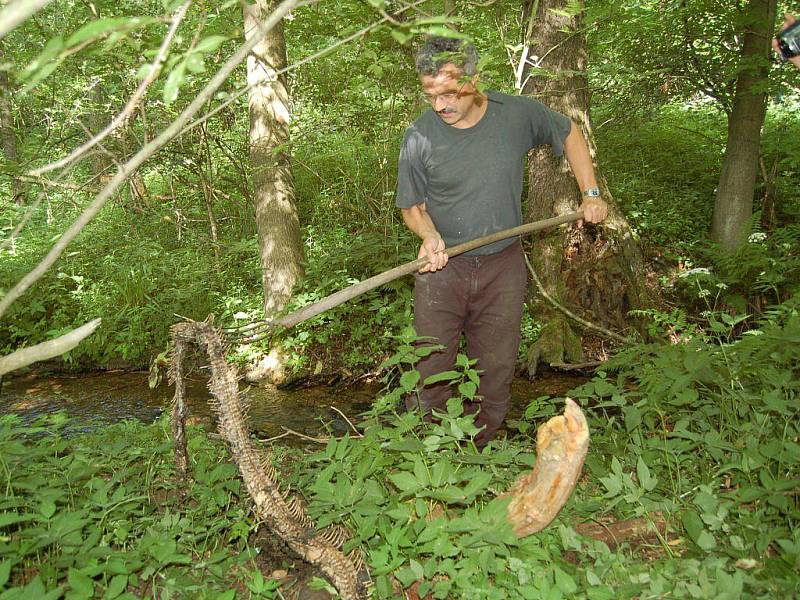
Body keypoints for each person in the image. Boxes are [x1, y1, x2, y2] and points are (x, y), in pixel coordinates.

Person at [395, 36, 608, 448]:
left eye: (449, 93)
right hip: (444, 270)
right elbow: (411, 206)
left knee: (493, 367)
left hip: (502, 266)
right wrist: (429, 235)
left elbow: (569, 131)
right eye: (430, 96)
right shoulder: (419, 136)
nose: (439, 106)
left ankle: (480, 453)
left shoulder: (515, 115)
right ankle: (425, 456)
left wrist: (591, 193)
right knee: (429, 366)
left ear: (474, 80)